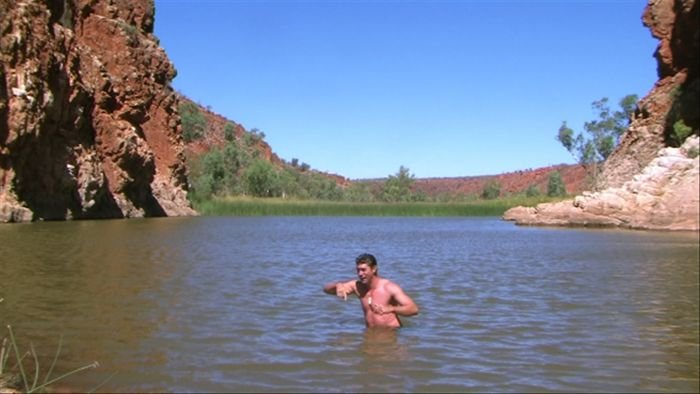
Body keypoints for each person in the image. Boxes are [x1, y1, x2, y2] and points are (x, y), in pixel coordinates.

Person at [323, 253, 419, 328]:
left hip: (390, 333)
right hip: (370, 333)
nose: (360, 274)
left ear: (374, 269)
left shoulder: (389, 287)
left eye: (364, 270)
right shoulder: (357, 286)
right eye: (358, 270)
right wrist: (338, 285)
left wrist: (390, 309)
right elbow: (326, 290)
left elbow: (413, 309)